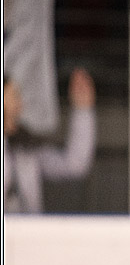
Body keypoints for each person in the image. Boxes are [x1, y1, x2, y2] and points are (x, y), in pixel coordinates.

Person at [3, 67, 96, 213]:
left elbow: (74, 164)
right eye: (14, 96)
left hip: (29, 227)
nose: (19, 106)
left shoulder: (25, 151)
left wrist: (82, 110)